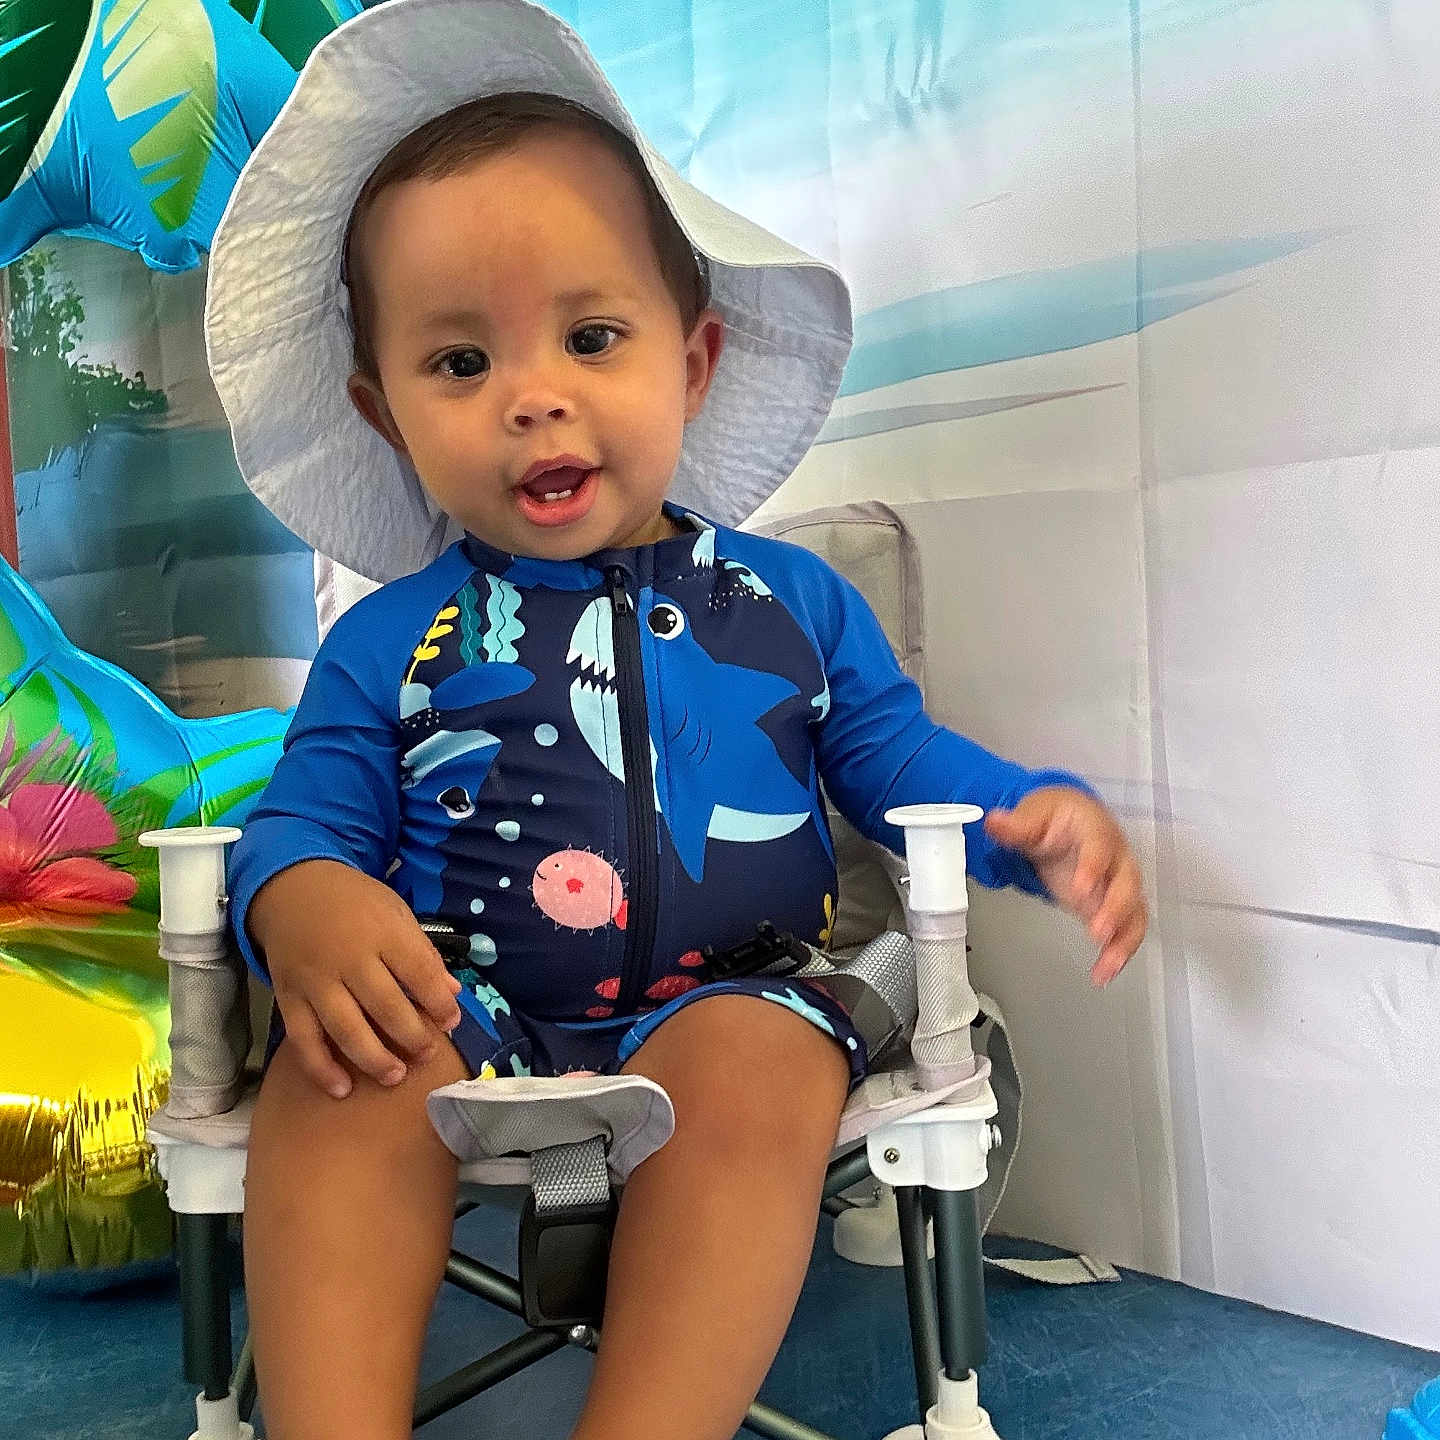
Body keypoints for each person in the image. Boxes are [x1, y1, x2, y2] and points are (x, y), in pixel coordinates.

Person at [205, 2, 1148, 1436]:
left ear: (690, 362)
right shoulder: (386, 639)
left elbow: (896, 768)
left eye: (590, 336)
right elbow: (301, 824)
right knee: (342, 1063)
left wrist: (1026, 818)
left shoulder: (789, 603)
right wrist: (308, 901)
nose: (534, 398)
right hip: (471, 1009)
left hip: (731, 993)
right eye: (459, 364)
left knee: (765, 1062)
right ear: (385, 411)